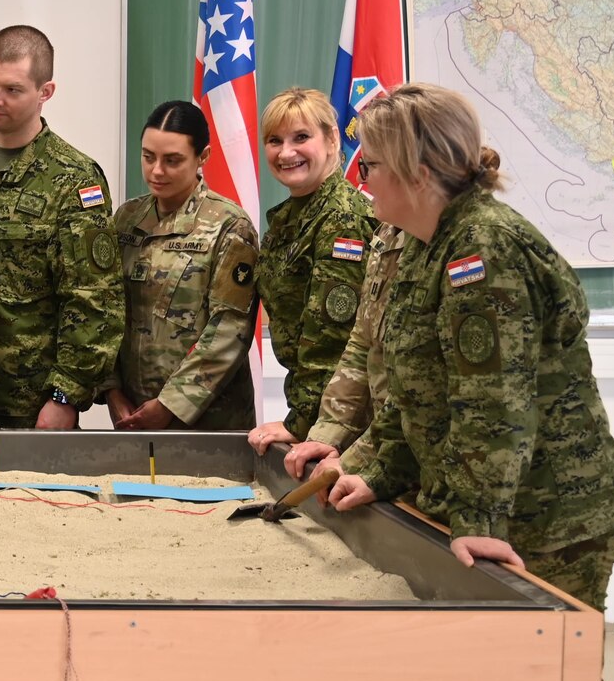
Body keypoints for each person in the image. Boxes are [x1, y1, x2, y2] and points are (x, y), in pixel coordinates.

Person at [325, 85, 614, 681]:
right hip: (492, 510)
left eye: (375, 164)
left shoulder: (485, 250)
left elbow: (496, 405)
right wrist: (377, 470)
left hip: (553, 513)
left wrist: (482, 527)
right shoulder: (427, 243)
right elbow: (416, 397)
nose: (364, 179)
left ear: (420, 170)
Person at [0, 25, 121, 429]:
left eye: (12, 89)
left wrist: (65, 395)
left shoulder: (74, 178)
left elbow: (94, 300)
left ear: (45, 92)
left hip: (31, 402)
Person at [101, 100, 259, 431]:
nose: (156, 171)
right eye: (148, 157)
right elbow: (106, 310)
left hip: (210, 423)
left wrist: (170, 404)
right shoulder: (127, 220)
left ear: (203, 157)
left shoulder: (229, 225)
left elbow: (230, 329)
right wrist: (111, 390)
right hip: (133, 415)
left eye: (172, 160)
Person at [245, 87, 374, 456]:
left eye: (301, 137)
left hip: (343, 422)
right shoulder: (292, 216)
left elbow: (331, 341)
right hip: (316, 412)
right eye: (274, 140)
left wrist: (301, 425)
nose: (286, 153)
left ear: (332, 138)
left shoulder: (340, 218)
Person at [280, 221, 406, 484]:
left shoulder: (459, 241)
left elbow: (419, 393)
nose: (367, 183)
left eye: (372, 175)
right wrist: (330, 433)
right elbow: (363, 344)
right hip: (392, 462)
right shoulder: (388, 231)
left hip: (437, 474)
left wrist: (357, 461)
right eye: (364, 175)